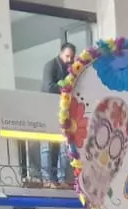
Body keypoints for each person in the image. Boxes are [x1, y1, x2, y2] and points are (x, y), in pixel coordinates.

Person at [42, 43, 78, 185]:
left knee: (59, 145)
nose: (69, 60)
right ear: (61, 54)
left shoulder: (71, 68)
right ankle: (48, 178)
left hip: (62, 110)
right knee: (48, 146)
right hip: (48, 107)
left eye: (72, 57)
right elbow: (48, 87)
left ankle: (58, 178)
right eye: (67, 56)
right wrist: (65, 86)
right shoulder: (50, 66)